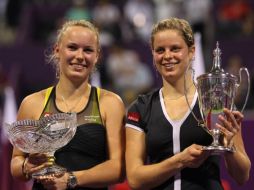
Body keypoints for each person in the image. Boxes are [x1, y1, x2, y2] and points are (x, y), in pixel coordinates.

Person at [125, 17, 251, 190]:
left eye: (175, 48)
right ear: (153, 55)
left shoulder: (217, 103)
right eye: (160, 50)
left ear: (192, 51)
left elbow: (242, 176)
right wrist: (180, 161)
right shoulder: (140, 107)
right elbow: (135, 179)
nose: (167, 56)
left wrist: (230, 148)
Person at [10, 19, 126, 190]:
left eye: (88, 50)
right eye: (72, 48)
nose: (80, 56)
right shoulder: (32, 103)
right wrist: (26, 166)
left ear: (97, 56)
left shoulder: (111, 103)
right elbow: (16, 162)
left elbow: (118, 168)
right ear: (57, 50)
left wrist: (71, 179)